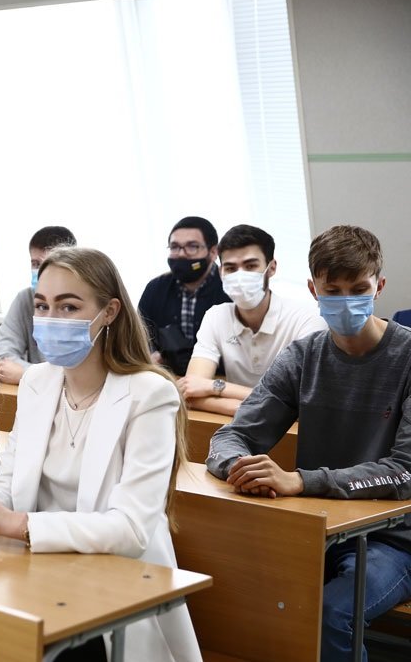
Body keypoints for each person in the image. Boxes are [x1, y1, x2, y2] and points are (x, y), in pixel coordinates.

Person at [0, 246, 202, 662]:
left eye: (68, 307)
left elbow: (131, 529)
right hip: (37, 570)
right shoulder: (37, 382)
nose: (50, 319)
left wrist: (15, 524)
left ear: (110, 312)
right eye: (42, 306)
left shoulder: (150, 394)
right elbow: (10, 479)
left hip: (114, 582)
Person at [206, 225, 411, 662]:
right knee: (237, 590)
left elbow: (405, 472)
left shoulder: (408, 358)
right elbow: (231, 437)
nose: (346, 301)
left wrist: (301, 481)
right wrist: (241, 468)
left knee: (331, 614)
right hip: (315, 529)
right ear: (313, 289)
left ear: (379, 286)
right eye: (332, 291)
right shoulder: (303, 356)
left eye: (359, 289)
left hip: (393, 541)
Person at [177, 225, 325, 415]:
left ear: (271, 268)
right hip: (237, 426)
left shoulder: (307, 318)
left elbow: (303, 402)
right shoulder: (216, 316)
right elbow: (191, 391)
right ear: (221, 272)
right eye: (231, 268)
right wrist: (266, 409)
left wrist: (217, 387)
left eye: (250, 266)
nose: (240, 275)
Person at [138, 216, 231, 376]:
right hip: (169, 379)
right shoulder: (156, 289)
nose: (181, 254)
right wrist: (151, 357)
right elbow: (138, 336)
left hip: (223, 379)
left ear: (213, 252)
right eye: (174, 247)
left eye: (192, 247)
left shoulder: (231, 289)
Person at [0, 226, 77, 384]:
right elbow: (1, 358)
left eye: (48, 263)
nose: (41, 271)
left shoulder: (83, 302)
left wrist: (27, 374)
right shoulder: (25, 298)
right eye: (36, 264)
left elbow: (87, 375)